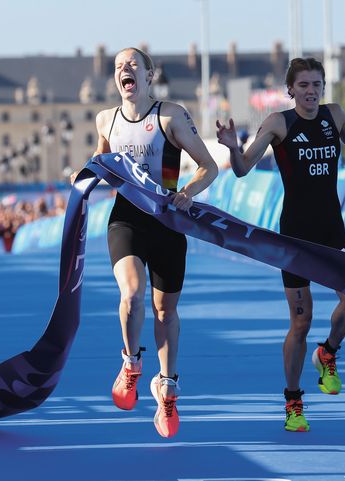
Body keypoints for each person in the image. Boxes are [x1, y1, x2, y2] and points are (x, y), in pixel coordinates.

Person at [216, 57, 345, 432]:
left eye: (317, 85)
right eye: (305, 86)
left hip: (331, 230)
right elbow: (244, 168)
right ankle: (293, 401)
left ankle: (327, 352)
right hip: (295, 237)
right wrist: (233, 146)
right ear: (290, 90)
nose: (312, 92)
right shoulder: (280, 122)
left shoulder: (334, 115)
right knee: (300, 322)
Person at [90, 47, 218, 437]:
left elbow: (208, 167)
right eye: (118, 67)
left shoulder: (170, 115)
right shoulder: (105, 120)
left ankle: (167, 387)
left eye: (133, 65)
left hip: (167, 222)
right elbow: (100, 163)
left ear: (149, 75)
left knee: (165, 312)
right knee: (132, 294)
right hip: (126, 220)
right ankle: (131, 364)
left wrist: (188, 192)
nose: (124, 71)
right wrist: (84, 180)